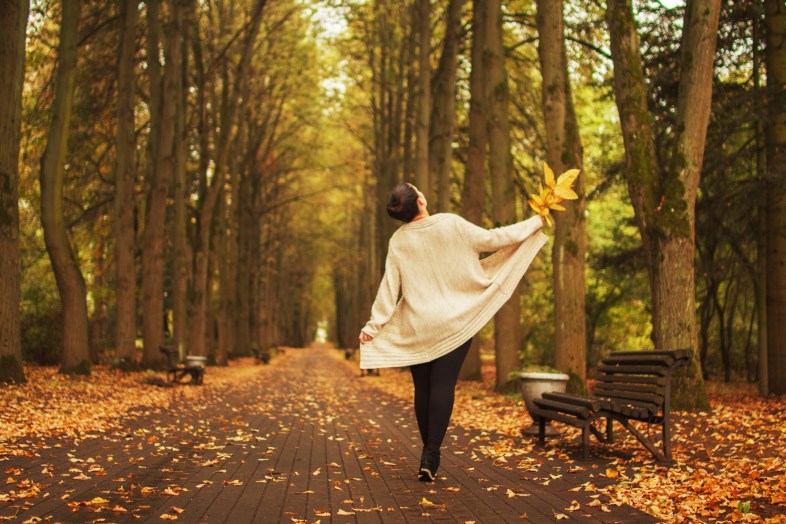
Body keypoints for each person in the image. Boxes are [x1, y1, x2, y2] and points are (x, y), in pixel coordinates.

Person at [359, 183, 548, 481]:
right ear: (420, 200)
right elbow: (495, 238)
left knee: (423, 389)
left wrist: (374, 326)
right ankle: (432, 451)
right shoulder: (451, 223)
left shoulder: (398, 241)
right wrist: (536, 221)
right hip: (455, 322)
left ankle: (426, 451)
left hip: (418, 326)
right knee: (443, 385)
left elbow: (389, 286)